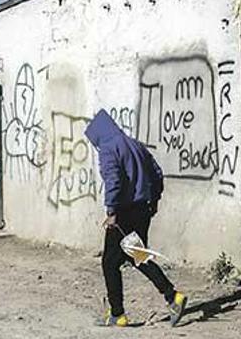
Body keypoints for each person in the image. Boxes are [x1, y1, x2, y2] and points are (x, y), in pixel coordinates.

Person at [84, 109, 187, 327]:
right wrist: (155, 200)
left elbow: (113, 181)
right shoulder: (134, 144)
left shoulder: (109, 149)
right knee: (137, 256)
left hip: (124, 213)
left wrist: (111, 211)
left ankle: (118, 314)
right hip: (143, 209)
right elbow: (157, 173)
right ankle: (173, 297)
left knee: (109, 263)